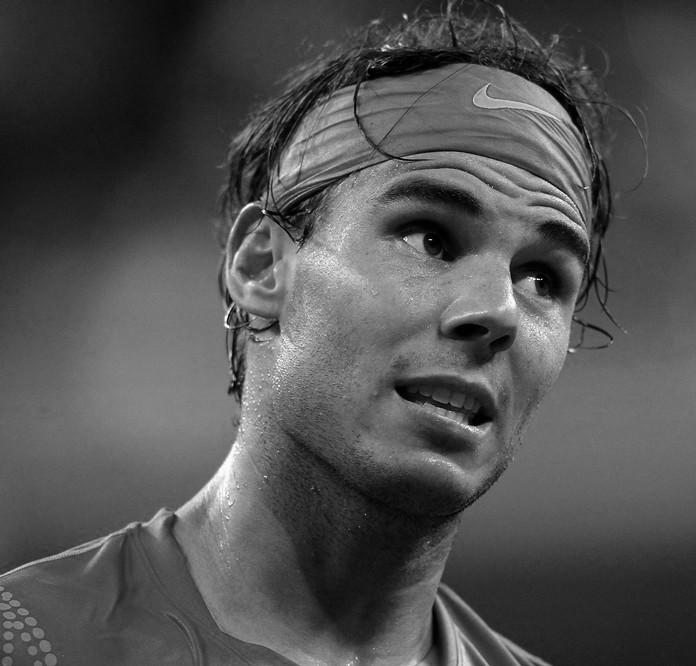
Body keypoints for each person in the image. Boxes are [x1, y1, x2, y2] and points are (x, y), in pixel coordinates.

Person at [0, 2, 621, 664]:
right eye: (431, 238)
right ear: (262, 265)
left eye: (542, 279)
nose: (497, 309)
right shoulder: (31, 643)